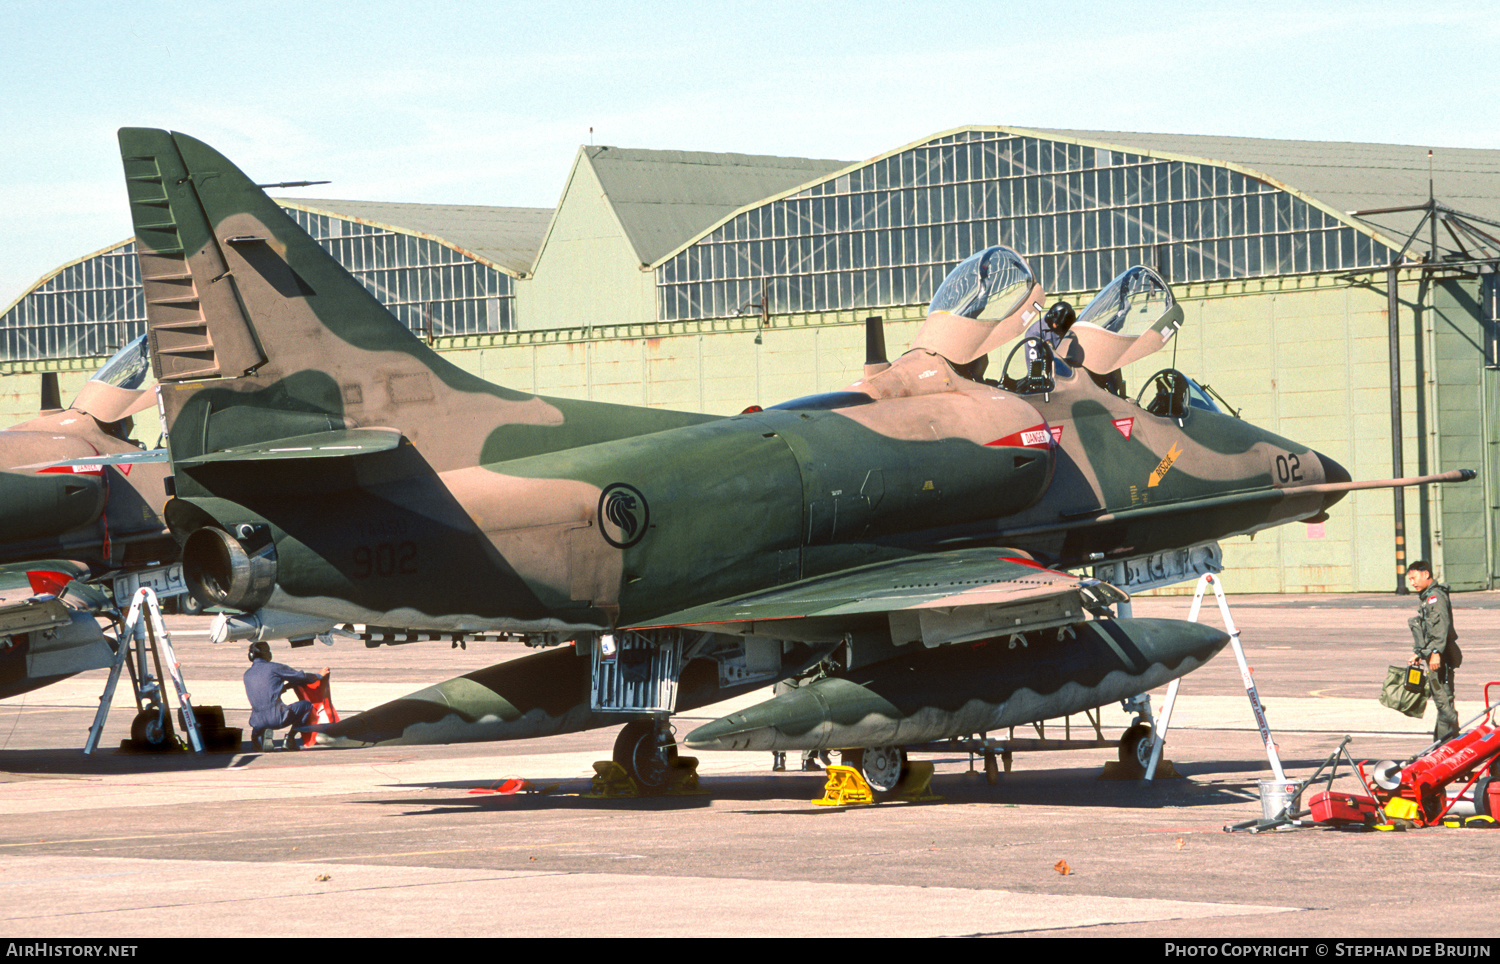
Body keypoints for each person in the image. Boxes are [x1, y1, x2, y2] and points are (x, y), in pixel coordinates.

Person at [1406, 560, 1461, 743]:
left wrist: (1436, 652)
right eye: (1410, 579)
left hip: (1440, 658)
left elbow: (1441, 628)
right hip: (1433, 656)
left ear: (1426, 574)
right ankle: (1441, 747)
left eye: (1414, 578)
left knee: (1444, 704)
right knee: (1442, 704)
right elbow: (1429, 631)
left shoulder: (1434, 597)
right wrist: (1420, 653)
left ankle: (1450, 747)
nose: (1412, 582)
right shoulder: (1428, 597)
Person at [244, 641, 329, 751]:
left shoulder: (247, 674)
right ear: (266, 654)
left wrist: (285, 687)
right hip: (277, 718)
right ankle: (290, 738)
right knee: (307, 705)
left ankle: (257, 738)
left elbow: (265, 692)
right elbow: (301, 677)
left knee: (263, 715)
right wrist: (318, 675)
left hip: (257, 722)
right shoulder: (274, 668)